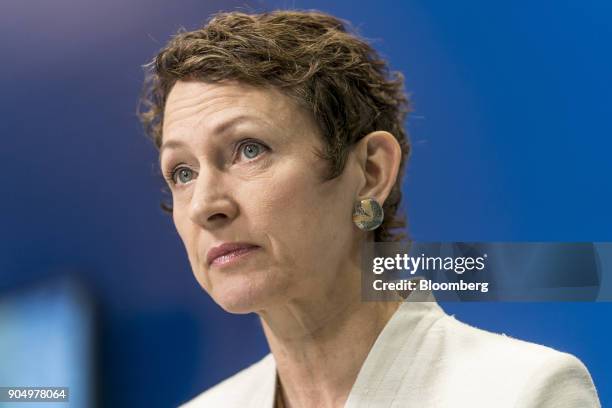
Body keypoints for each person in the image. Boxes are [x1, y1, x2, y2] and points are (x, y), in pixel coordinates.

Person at [138, 10, 601, 408]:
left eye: (249, 149)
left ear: (371, 172)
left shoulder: (524, 393)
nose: (204, 206)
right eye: (182, 172)